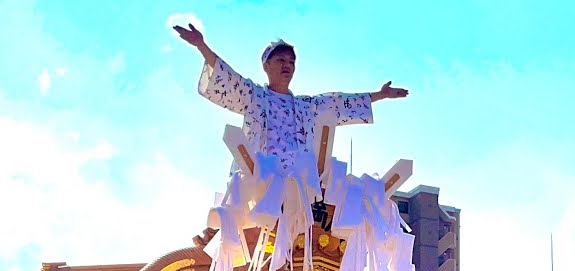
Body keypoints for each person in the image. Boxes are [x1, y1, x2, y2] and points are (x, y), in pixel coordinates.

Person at [174, 23, 407, 175]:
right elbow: (228, 76)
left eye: (291, 62)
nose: (287, 66)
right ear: (266, 66)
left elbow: (339, 103)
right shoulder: (255, 97)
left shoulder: (307, 106)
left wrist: (381, 95)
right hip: (260, 178)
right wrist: (201, 45)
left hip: (298, 184)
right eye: (281, 61)